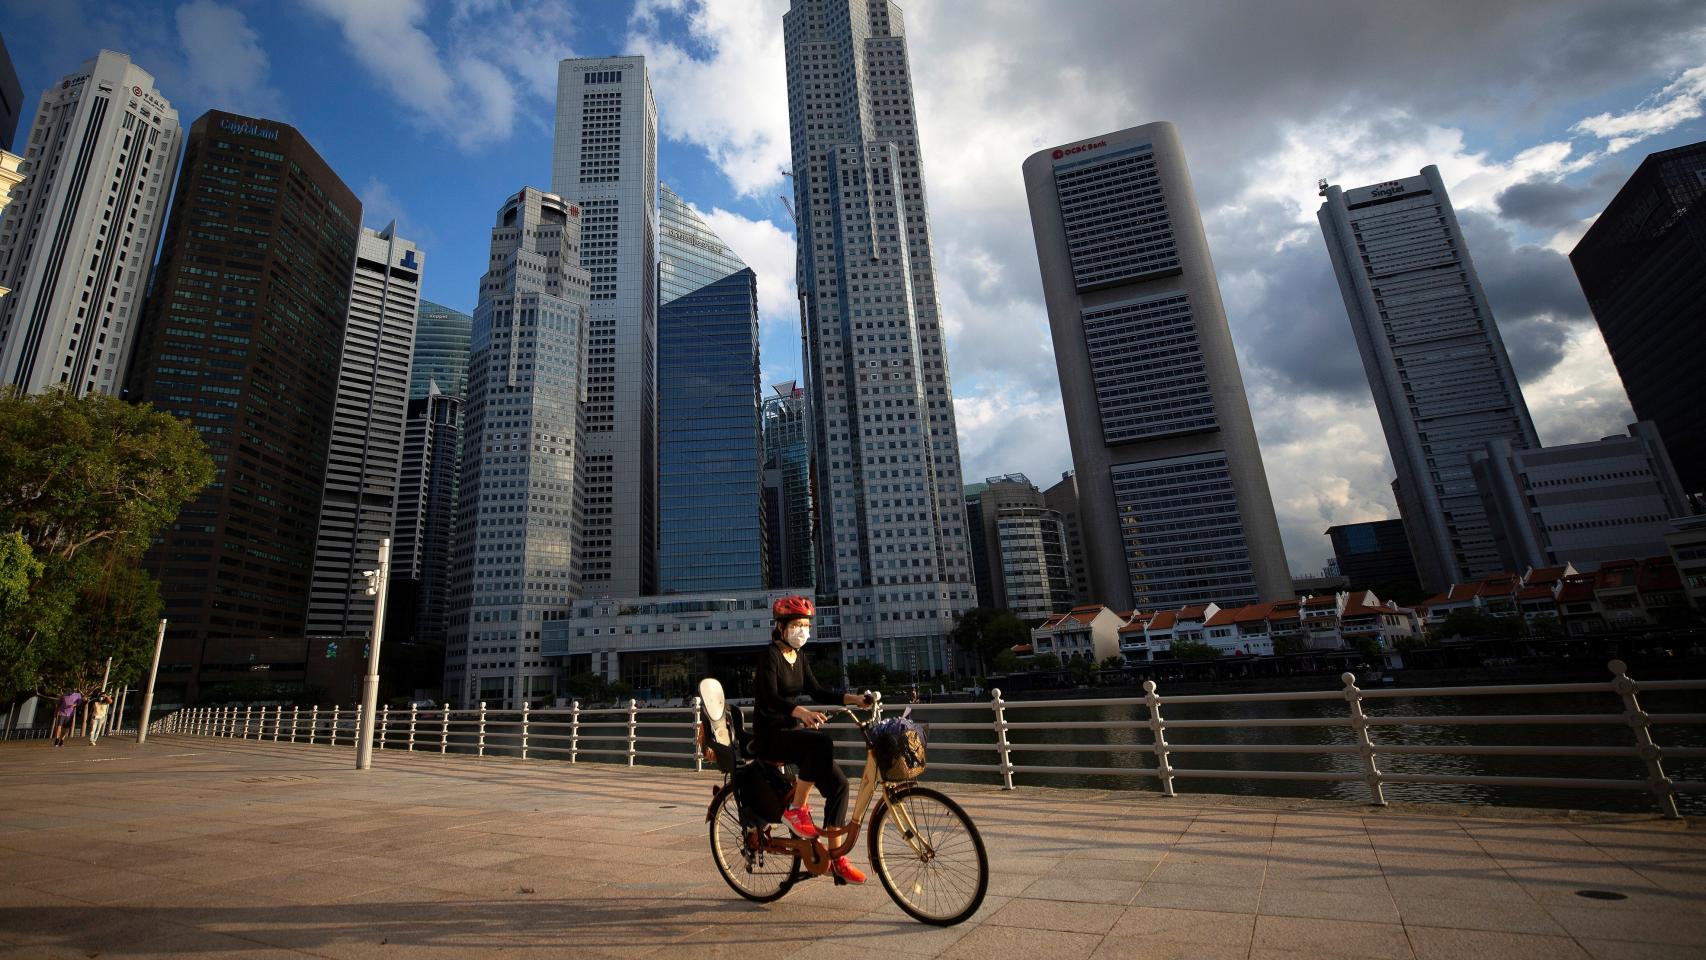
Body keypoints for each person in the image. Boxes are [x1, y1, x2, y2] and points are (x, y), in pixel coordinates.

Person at [752, 595, 872, 885]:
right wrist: (801, 711)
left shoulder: (799, 656)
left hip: (791, 733)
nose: (802, 630)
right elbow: (770, 697)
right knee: (821, 743)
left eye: (806, 625)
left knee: (840, 786)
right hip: (769, 735)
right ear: (781, 627)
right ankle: (796, 810)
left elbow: (818, 691)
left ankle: (836, 859)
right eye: (796, 624)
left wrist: (853, 699)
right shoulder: (769, 655)